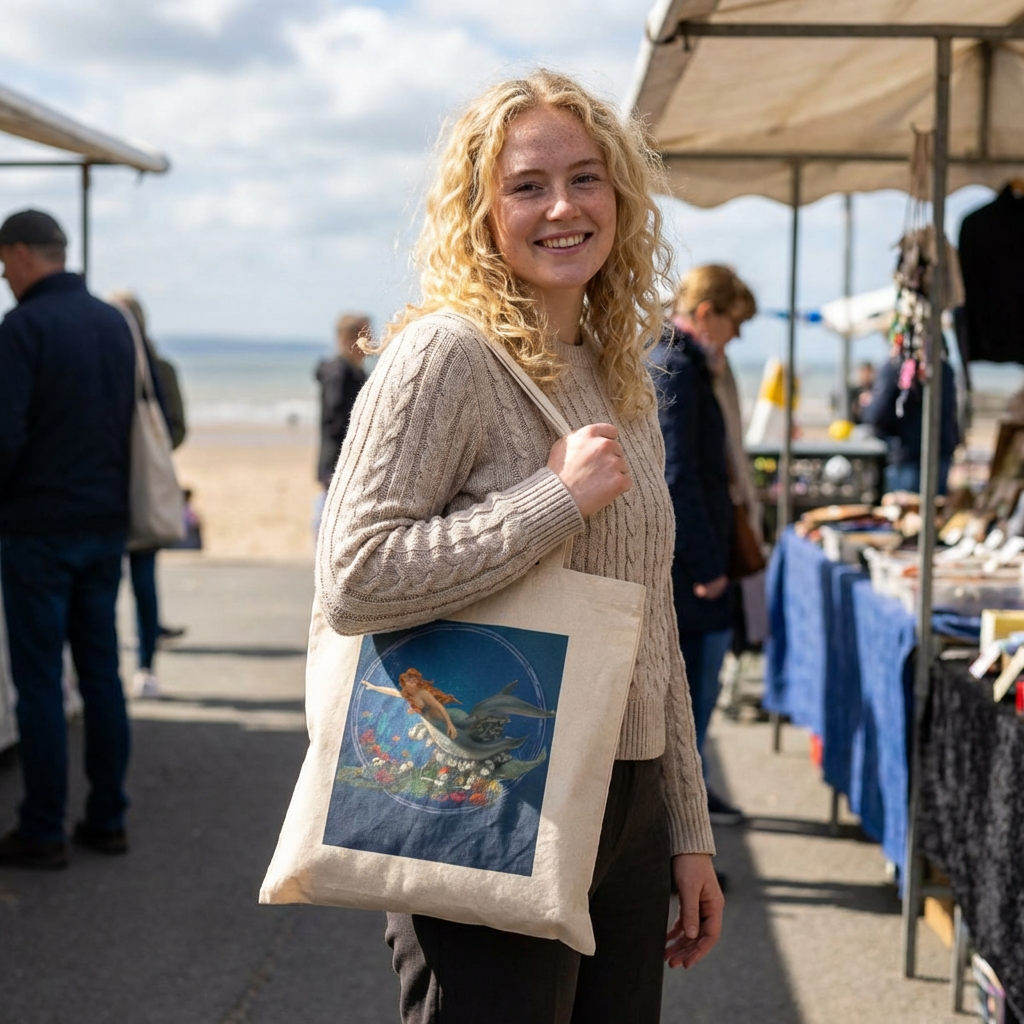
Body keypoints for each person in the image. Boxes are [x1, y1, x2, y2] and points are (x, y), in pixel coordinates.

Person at [316, 70, 722, 1023]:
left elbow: (651, 618)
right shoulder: (445, 354)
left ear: (620, 197)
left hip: (624, 796)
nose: (563, 208)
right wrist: (553, 499)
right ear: (480, 210)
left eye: (586, 179)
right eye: (527, 185)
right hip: (491, 785)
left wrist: (686, 829)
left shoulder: (620, 368)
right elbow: (356, 576)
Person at [0, 209, 136, 868]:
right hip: (105, 523)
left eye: (3, 260)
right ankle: (108, 817)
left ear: (24, 253)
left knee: (41, 684)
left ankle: (43, 829)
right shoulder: (114, 322)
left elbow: (5, 435)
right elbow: (145, 422)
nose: (2, 274)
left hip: (37, 529)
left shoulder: (21, 327)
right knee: (101, 674)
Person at [654, 265, 756, 828]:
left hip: (690, 562)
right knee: (690, 702)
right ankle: (682, 841)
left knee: (695, 699)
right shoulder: (678, 368)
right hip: (690, 571)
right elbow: (680, 476)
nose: (736, 336)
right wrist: (708, 566)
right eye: (733, 323)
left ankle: (691, 811)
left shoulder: (685, 364)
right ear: (705, 314)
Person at [108, 291, 187, 699]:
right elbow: (176, 429)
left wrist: (145, 456)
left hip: (129, 487)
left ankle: (143, 665)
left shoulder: (153, 367)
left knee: (135, 580)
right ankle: (139, 668)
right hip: (118, 488)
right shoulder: (157, 367)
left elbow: (174, 429)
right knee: (127, 581)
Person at [863, 342, 959, 495]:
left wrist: (865, 407)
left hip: (907, 455)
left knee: (906, 512)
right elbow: (952, 413)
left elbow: (876, 415)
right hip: (940, 452)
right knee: (933, 509)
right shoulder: (945, 369)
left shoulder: (894, 368)